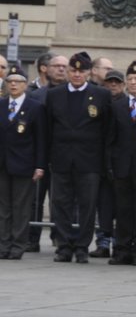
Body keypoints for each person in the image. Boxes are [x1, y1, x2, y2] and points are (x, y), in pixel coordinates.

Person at [40, 52, 114, 263]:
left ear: (89, 72)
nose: (76, 75)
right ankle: (63, 246)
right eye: (73, 70)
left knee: (87, 205)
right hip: (62, 158)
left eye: (81, 71)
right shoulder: (55, 94)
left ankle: (82, 246)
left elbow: (107, 130)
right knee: (60, 204)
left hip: (89, 160)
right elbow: (48, 128)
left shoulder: (101, 95)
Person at [0, 71, 44, 260]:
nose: (14, 85)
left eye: (18, 82)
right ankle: (3, 244)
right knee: (3, 208)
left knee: (20, 207)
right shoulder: (1, 105)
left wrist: (40, 165)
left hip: (24, 164)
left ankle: (18, 245)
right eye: (10, 81)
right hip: (2, 164)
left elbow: (41, 139)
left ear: (25, 85)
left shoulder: (35, 107)